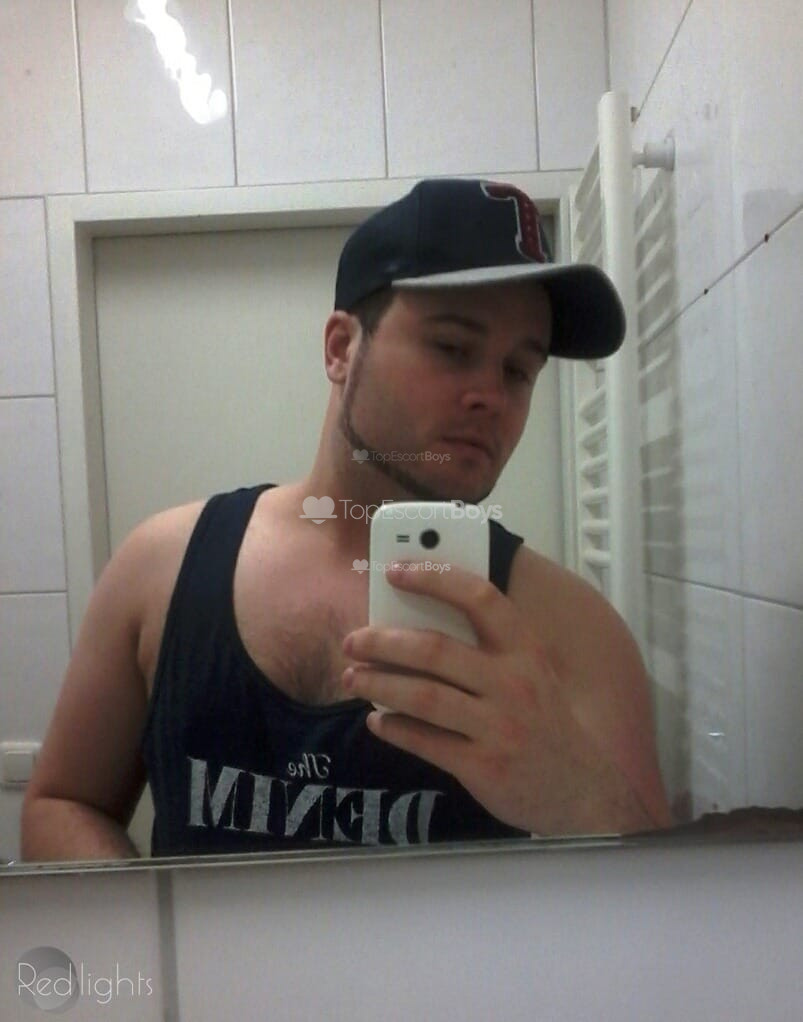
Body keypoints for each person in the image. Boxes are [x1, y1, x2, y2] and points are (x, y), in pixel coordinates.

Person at [21, 178, 672, 860]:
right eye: (453, 347)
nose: (491, 395)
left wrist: (574, 792)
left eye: (518, 370)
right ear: (340, 348)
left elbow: (665, 900)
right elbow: (62, 803)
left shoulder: (572, 629)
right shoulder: (161, 568)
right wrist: (157, 927)